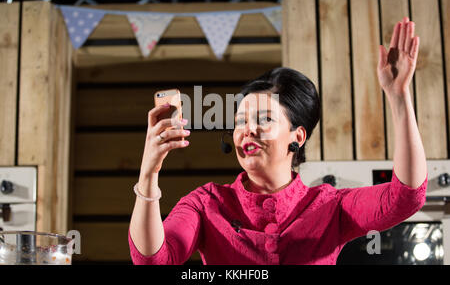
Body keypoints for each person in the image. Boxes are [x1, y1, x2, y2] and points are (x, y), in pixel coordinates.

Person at [128, 17, 427, 265]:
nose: (248, 130)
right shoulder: (206, 204)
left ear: (297, 137)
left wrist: (399, 97)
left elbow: (406, 197)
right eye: (241, 121)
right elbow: (153, 262)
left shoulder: (330, 206)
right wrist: (149, 173)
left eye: (264, 120)